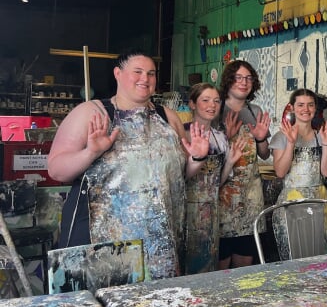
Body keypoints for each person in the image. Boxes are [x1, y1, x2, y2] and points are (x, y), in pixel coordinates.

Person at [48, 49, 209, 280]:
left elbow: (179, 177)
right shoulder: (92, 112)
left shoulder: (168, 117)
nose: (145, 78)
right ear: (118, 73)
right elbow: (56, 170)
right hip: (102, 246)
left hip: (159, 245)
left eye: (151, 73)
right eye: (138, 72)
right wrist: (91, 152)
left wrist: (197, 158)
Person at [183, 83, 244, 274]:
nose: (212, 105)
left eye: (216, 101)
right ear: (192, 104)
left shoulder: (220, 137)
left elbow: (219, 182)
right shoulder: (182, 134)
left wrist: (230, 163)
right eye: (205, 100)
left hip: (212, 211)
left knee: (208, 262)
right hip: (186, 211)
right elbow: (178, 178)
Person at [270, 89, 327, 260]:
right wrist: (291, 144)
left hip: (319, 200)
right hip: (291, 204)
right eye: (300, 105)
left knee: (322, 257)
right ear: (292, 107)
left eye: (310, 105)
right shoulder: (281, 136)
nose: (305, 109)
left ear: (315, 108)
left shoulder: (323, 136)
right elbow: (280, 171)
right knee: (295, 258)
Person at [218, 60, 272, 269]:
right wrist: (226, 136)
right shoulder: (217, 109)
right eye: (238, 77)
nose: (244, 82)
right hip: (224, 194)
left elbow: (265, 154)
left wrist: (260, 138)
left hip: (251, 194)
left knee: (245, 260)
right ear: (229, 80)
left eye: (248, 78)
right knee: (221, 259)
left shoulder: (255, 110)